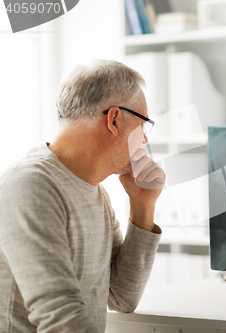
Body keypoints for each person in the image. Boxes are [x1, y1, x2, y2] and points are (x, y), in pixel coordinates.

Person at [0, 60, 166, 332]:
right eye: (143, 124)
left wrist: (142, 206)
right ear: (114, 119)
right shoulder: (30, 188)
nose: (145, 140)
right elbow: (60, 318)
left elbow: (121, 297)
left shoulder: (95, 192)